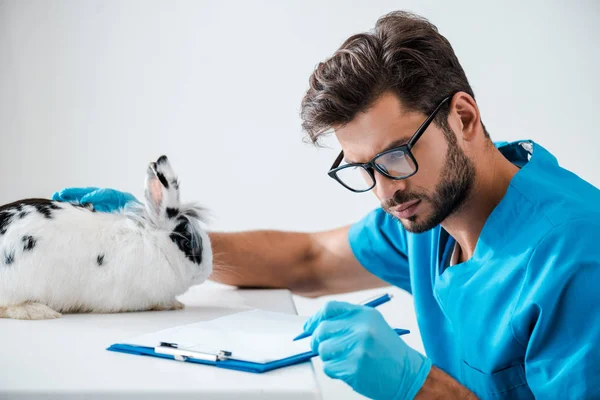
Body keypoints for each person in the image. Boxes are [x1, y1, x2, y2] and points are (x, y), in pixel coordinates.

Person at [52, 10, 600, 400]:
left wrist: (419, 388)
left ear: (463, 118)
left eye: (395, 156)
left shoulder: (576, 259)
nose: (385, 191)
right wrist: (169, 241)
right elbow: (310, 260)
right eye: (362, 168)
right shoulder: (430, 214)